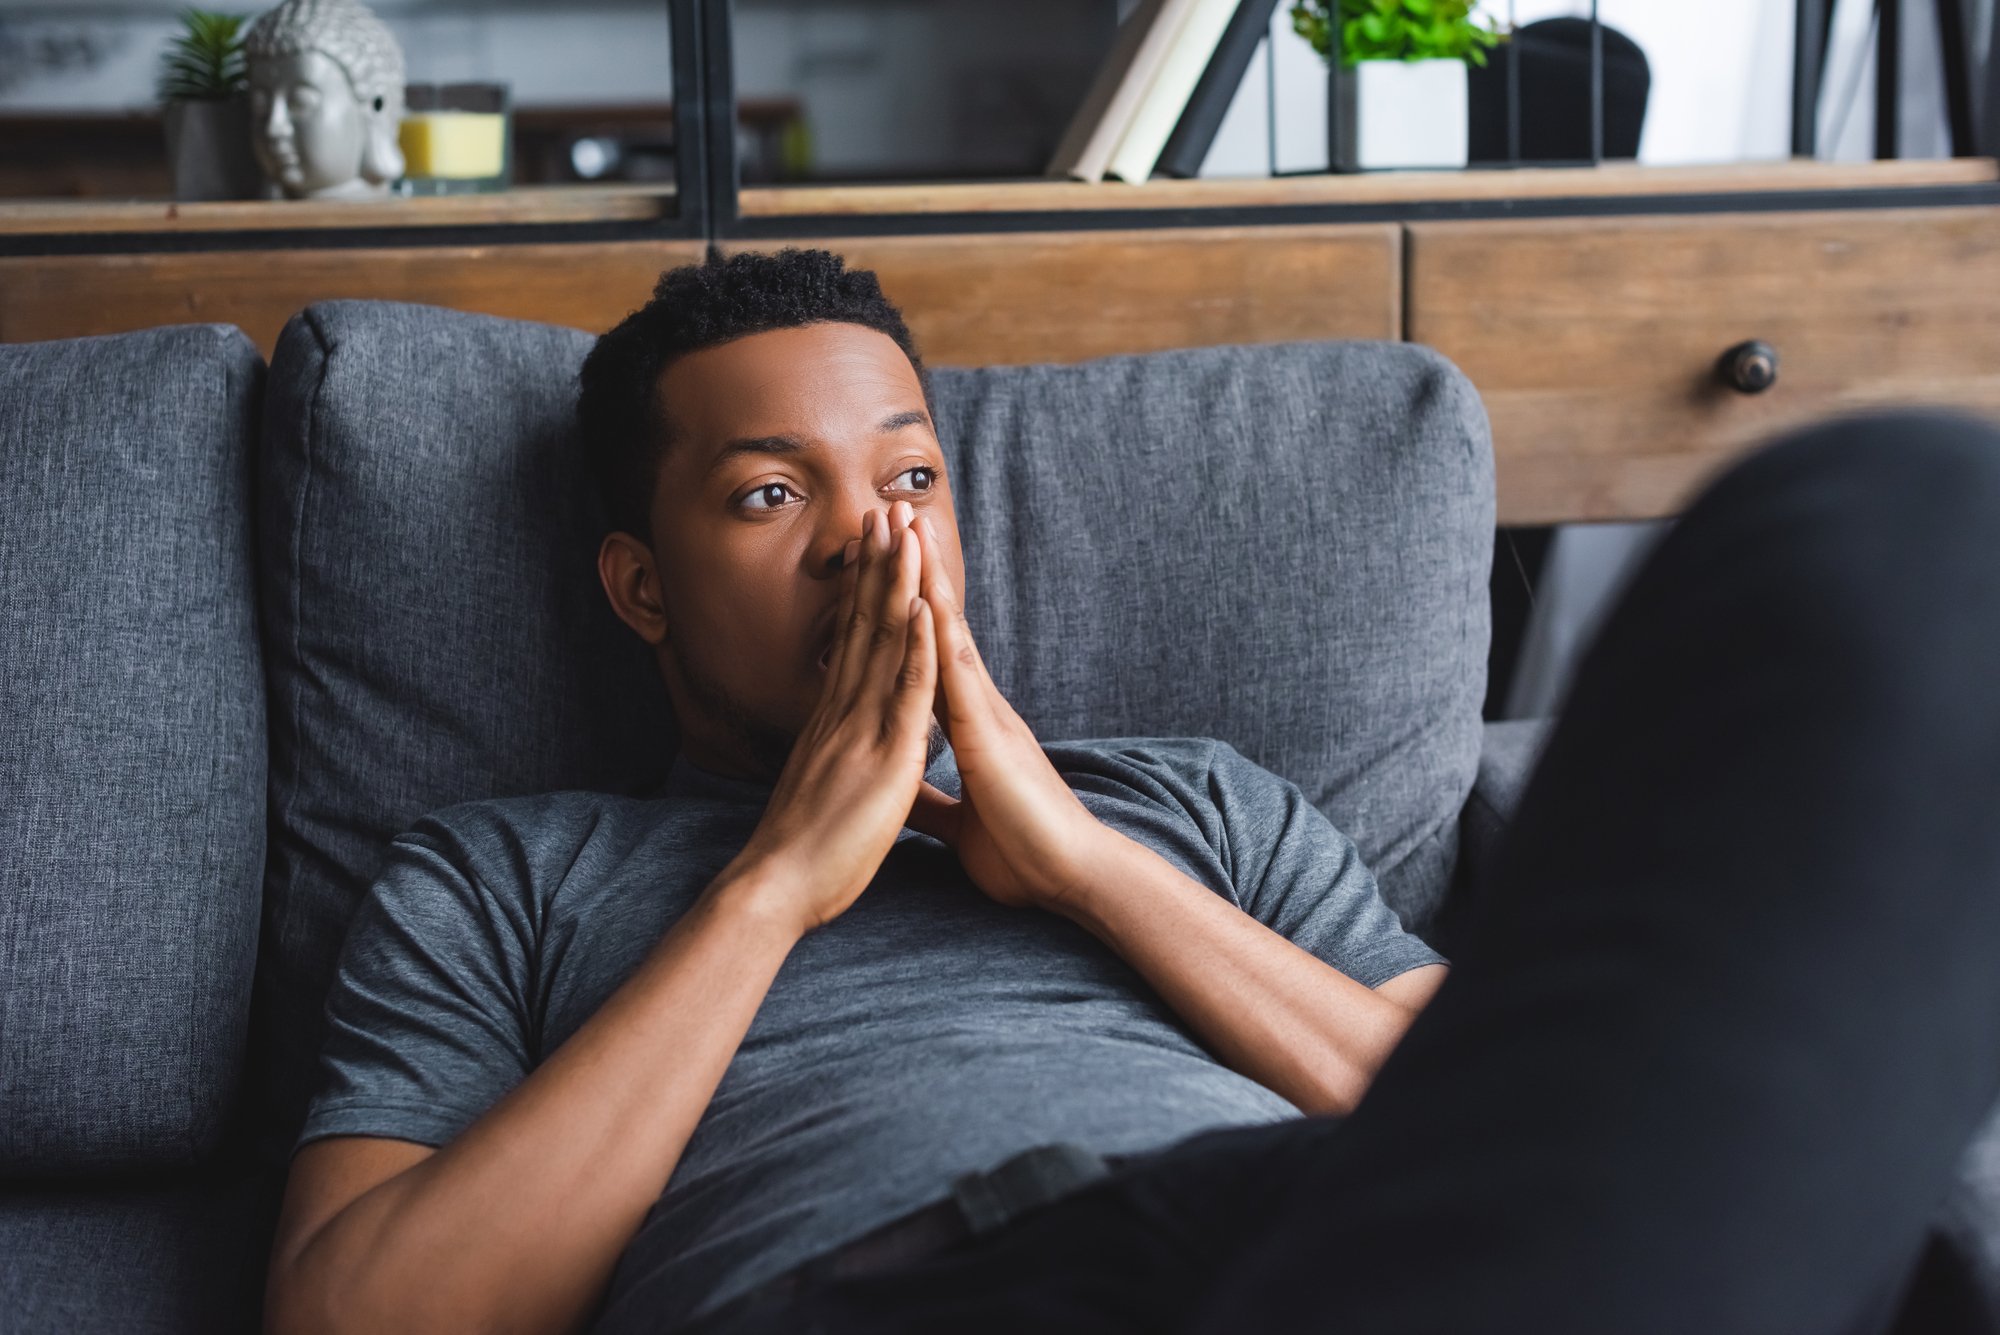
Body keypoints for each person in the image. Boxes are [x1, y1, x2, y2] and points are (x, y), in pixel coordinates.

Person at [261, 247, 2000, 1335]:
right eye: (772, 496)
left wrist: (1092, 868)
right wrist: (777, 881)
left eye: (910, 476)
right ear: (640, 587)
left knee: (1927, 528)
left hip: (1319, 1259)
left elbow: (1523, 1109)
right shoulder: (502, 879)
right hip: (919, 1290)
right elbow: (369, 1318)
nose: (877, 537)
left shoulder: (1194, 806)